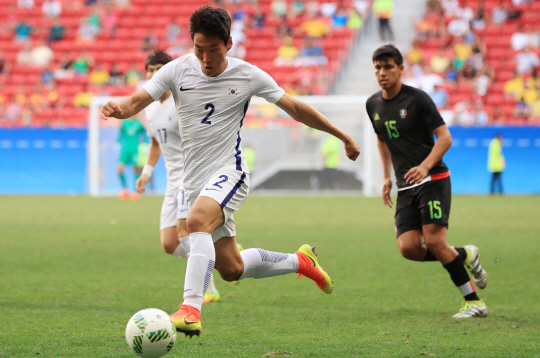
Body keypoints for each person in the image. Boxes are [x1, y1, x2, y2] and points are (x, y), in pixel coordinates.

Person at [101, 6, 360, 338]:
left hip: (230, 171)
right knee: (231, 268)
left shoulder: (248, 74)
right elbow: (135, 102)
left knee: (195, 223)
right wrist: (117, 108)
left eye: (214, 49)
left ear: (229, 43)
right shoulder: (176, 70)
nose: (206, 58)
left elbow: (294, 107)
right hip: (194, 182)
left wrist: (343, 136)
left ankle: (190, 309)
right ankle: (300, 261)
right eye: (199, 49)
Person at [366, 45, 488, 319]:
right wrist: (386, 177)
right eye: (377, 67)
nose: (382, 72)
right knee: (408, 248)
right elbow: (382, 139)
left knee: (434, 241)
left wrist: (424, 166)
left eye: (388, 67)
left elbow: (445, 137)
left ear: (401, 69)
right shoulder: (372, 104)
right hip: (405, 186)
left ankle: (474, 302)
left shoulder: (418, 100)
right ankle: (464, 255)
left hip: (433, 178)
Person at [135, 51, 223, 303]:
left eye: (158, 69)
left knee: (185, 233)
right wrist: (147, 171)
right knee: (169, 243)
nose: (153, 74)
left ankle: (208, 289)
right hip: (171, 179)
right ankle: (218, 255)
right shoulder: (150, 109)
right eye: (149, 70)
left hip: (190, 175)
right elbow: (155, 141)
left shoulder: (182, 102)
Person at [117, 116, 147, 200]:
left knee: (136, 169)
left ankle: (134, 191)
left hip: (135, 149)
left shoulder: (139, 123)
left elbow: (144, 135)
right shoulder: (124, 123)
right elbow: (120, 135)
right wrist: (117, 145)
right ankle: (125, 189)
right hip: (125, 149)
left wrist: (145, 146)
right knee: (120, 169)